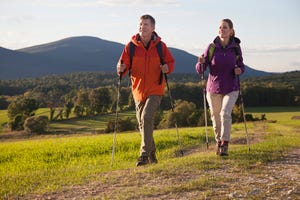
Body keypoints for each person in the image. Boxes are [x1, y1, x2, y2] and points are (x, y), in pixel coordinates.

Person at [117, 14, 175, 166]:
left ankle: (143, 155)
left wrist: (167, 68)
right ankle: (152, 156)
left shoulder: (161, 47)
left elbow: (170, 62)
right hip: (137, 91)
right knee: (143, 125)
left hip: (155, 88)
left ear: (153, 28)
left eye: (146, 24)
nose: (142, 27)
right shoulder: (130, 46)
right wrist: (121, 69)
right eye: (141, 24)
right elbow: (123, 66)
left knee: (147, 117)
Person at [195, 18, 245, 156]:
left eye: (225, 27)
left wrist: (240, 70)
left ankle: (225, 143)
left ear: (231, 31)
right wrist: (200, 63)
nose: (221, 30)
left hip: (231, 87)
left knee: (225, 113)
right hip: (213, 89)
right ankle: (218, 142)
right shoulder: (211, 47)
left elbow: (241, 65)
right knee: (216, 117)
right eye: (220, 27)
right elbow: (201, 69)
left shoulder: (235, 48)